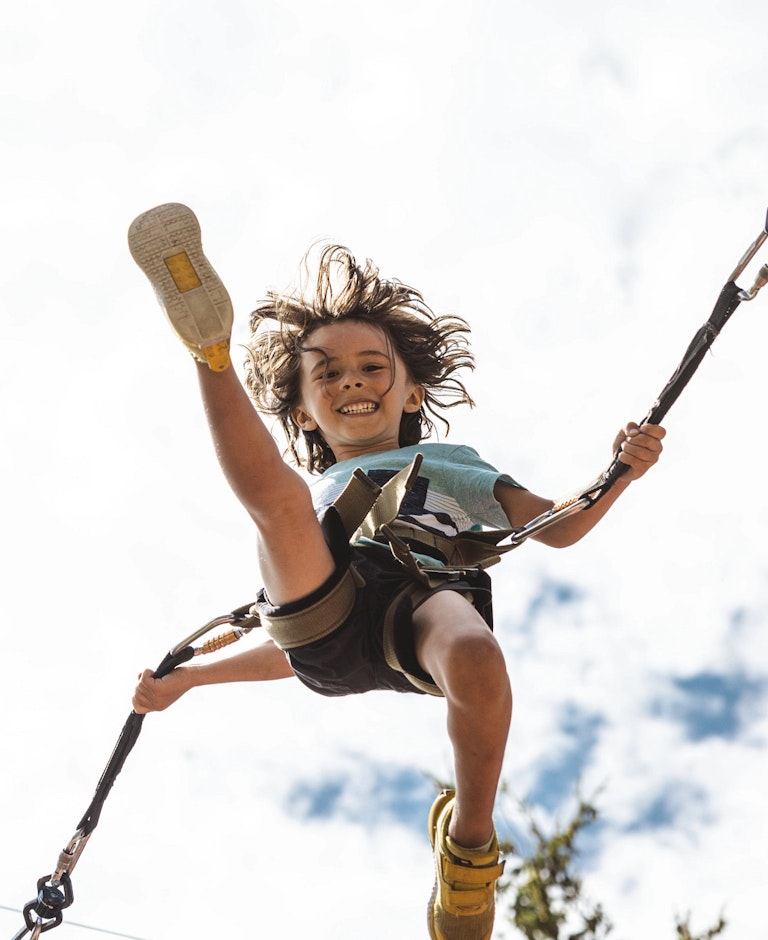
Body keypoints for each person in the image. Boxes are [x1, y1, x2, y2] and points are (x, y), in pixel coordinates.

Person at [129, 203, 665, 940]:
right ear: (303, 412)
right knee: (282, 506)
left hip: (422, 596)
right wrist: (191, 679)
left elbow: (560, 524)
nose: (351, 380)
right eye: (327, 373)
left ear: (412, 393)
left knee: (475, 654)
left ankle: (469, 847)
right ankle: (210, 354)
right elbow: (295, 645)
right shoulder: (314, 497)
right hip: (324, 601)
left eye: (372, 367)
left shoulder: (453, 463)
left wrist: (619, 474)